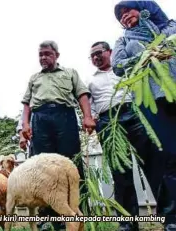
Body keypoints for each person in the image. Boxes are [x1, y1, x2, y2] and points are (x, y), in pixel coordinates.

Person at [88, 41, 166, 231]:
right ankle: (127, 223)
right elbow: (89, 108)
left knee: (153, 166)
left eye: (99, 52)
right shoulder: (90, 81)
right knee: (120, 172)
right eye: (93, 56)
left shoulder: (126, 69)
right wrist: (94, 122)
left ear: (110, 52)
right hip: (108, 122)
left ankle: (167, 217)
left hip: (134, 115)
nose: (96, 57)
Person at [111, 1, 176, 230]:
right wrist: (144, 57)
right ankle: (172, 220)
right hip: (153, 100)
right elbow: (118, 66)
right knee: (168, 158)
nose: (124, 17)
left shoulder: (170, 27)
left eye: (127, 11)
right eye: (120, 16)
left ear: (144, 8)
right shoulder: (124, 41)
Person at [21, 40, 96, 231]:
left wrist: (87, 116)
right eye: (40, 54)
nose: (43, 57)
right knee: (43, 169)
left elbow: (82, 95)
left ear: (56, 55)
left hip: (65, 117)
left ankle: (76, 215)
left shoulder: (69, 73)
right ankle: (48, 218)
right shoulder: (34, 78)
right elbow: (27, 104)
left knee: (71, 165)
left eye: (47, 53)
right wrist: (25, 125)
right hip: (40, 120)